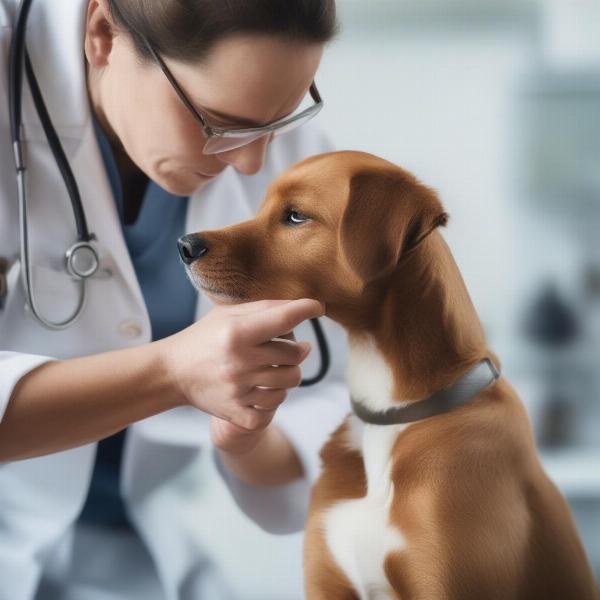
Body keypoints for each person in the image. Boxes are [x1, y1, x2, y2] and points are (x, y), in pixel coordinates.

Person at [0, 1, 350, 598]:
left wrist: (247, 434)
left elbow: (326, 409)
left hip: (129, 549)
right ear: (103, 34)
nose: (249, 162)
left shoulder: (270, 134)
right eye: (219, 122)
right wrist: (173, 371)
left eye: (276, 124)